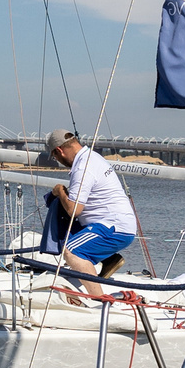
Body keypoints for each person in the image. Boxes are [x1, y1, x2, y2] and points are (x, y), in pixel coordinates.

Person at [46, 127, 138, 301]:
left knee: (71, 251)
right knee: (69, 229)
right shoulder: (92, 157)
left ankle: (99, 301)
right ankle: (109, 260)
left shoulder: (83, 167)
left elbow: (74, 210)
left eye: (54, 156)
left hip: (113, 226)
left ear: (59, 150)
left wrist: (59, 191)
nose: (57, 160)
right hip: (115, 223)